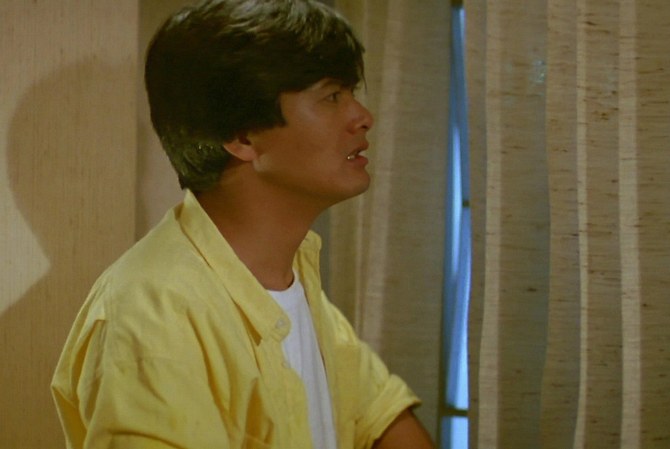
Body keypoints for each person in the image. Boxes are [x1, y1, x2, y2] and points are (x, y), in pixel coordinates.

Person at [50, 1, 435, 448]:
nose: (363, 116)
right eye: (332, 96)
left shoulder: (290, 272)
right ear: (242, 136)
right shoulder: (153, 315)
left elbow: (383, 419)